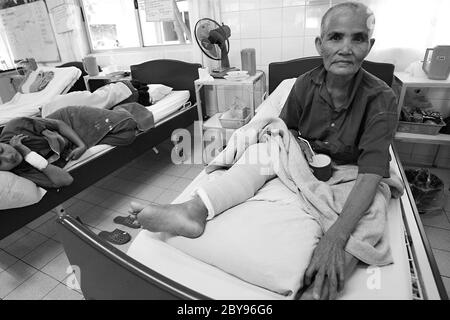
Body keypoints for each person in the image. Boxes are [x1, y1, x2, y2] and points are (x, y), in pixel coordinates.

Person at [128, 1, 398, 300]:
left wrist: (335, 236)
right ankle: (194, 210)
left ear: (369, 45)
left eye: (357, 38)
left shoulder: (381, 98)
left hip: (352, 172)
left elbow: (372, 172)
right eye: (336, 37)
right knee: (264, 148)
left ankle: (320, 289)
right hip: (303, 158)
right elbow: (284, 130)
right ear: (320, 44)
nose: (346, 48)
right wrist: (300, 151)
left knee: (374, 203)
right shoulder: (303, 85)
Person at [0, 103, 154, 188]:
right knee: (127, 136)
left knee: (127, 123)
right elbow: (66, 180)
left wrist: (81, 146)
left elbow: (58, 124)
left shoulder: (16, 127)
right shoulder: (21, 170)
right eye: (1, 162)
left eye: (2, 150)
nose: (9, 156)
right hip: (69, 145)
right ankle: (112, 112)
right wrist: (29, 155)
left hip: (70, 120)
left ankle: (121, 107)